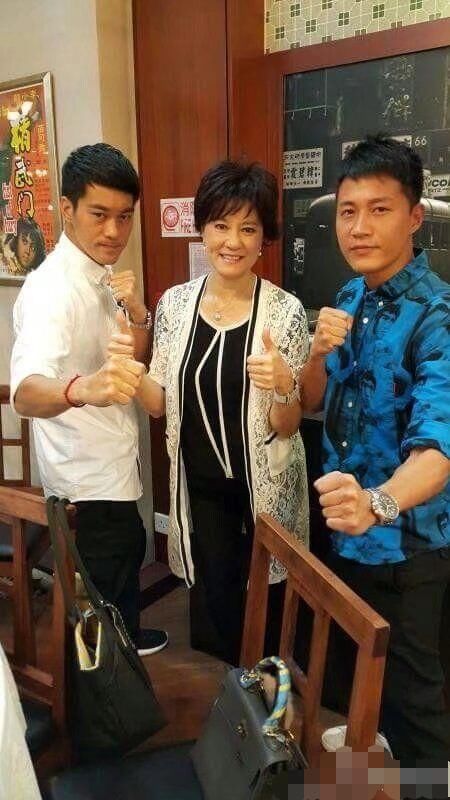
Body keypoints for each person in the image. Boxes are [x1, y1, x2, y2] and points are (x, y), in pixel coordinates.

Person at [111, 160, 310, 664]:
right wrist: (128, 369)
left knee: (268, 594)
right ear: (202, 229)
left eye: (248, 228)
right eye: (221, 225)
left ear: (264, 238)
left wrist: (284, 386)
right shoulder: (175, 305)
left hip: (264, 481)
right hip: (200, 482)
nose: (233, 241)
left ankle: (268, 681)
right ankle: (227, 687)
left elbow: (287, 425)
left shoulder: (284, 311)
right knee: (215, 590)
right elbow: (159, 403)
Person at [301, 135, 450, 763]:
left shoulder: (438, 316)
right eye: (348, 211)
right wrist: (315, 351)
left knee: (417, 707)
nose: (359, 227)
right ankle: (376, 764)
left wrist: (377, 504)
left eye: (379, 209)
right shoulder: (347, 299)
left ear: (414, 217)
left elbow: (438, 453)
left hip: (406, 548)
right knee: (363, 677)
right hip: (344, 535)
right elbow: (311, 401)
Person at [10, 143, 168, 657]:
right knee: (96, 602)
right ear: (67, 208)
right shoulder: (51, 290)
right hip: (84, 480)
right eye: (99, 215)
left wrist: (138, 313)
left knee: (124, 563)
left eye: (125, 217)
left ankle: (126, 652)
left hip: (113, 464)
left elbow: (128, 360)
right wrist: (82, 388)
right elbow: (25, 393)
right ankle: (104, 696)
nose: (114, 231)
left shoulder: (100, 276)